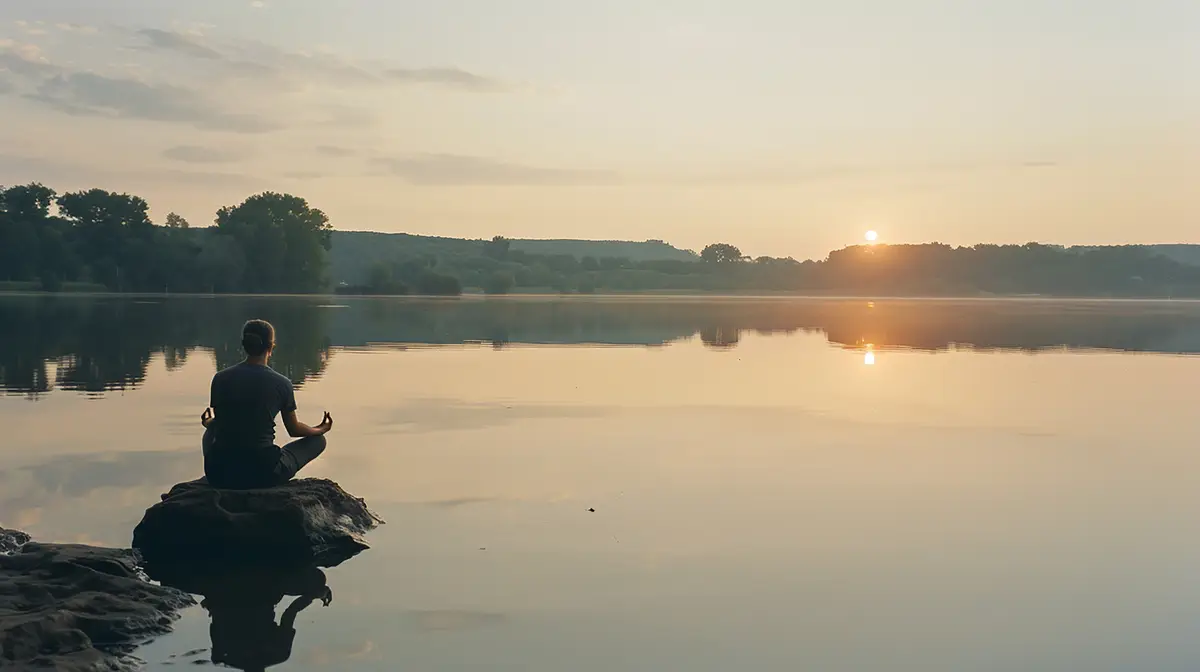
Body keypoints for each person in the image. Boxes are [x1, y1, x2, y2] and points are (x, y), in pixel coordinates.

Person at [201, 319, 332, 489]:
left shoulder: (220, 378)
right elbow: (294, 430)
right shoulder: (282, 383)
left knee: (210, 433)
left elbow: (222, 424)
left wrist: (208, 423)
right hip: (263, 473)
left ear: (244, 345)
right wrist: (319, 429)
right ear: (271, 347)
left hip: (219, 474)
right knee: (318, 441)